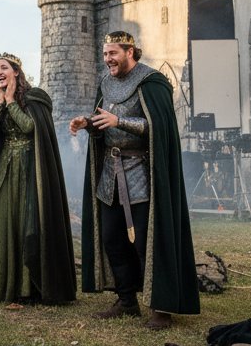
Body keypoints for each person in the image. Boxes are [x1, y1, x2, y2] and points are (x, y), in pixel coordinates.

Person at [70, 30, 199, 330]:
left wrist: (120, 121)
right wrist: (88, 123)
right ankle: (126, 300)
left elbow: (160, 126)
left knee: (146, 240)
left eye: (113, 53)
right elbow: (103, 121)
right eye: (105, 54)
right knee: (112, 238)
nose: (108, 59)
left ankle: (161, 307)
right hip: (110, 173)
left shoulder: (152, 82)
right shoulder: (105, 83)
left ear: (130, 52)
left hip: (143, 172)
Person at [0, 52, 76, 305]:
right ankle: (2, 285)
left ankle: (29, 287)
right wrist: (1, 101)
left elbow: (29, 127)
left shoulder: (35, 98)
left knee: (28, 224)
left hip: (31, 169)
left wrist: (12, 101)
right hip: (5, 168)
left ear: (16, 71)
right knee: (4, 221)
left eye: (3, 68)